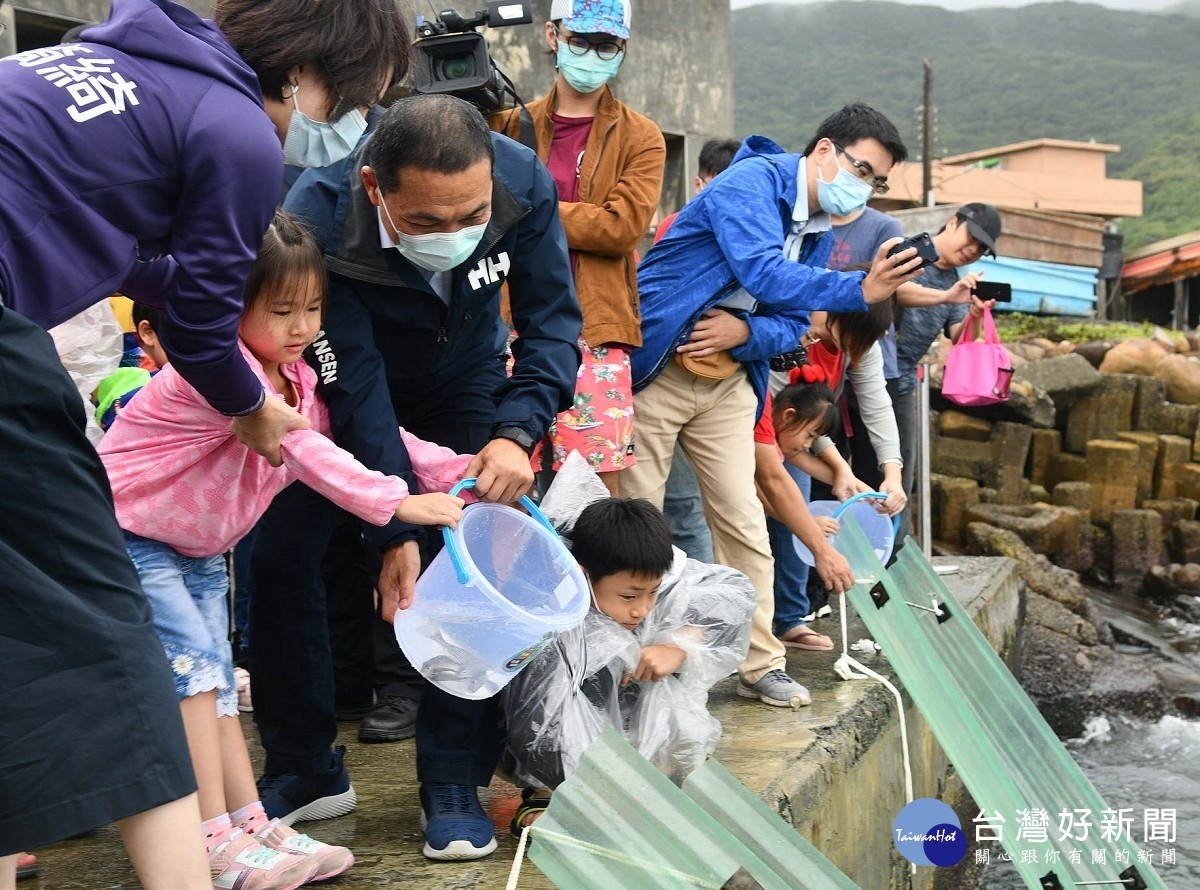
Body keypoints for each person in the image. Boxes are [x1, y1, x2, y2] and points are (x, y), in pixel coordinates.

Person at [0, 0, 408, 884]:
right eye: (353, 103)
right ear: (311, 72)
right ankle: (201, 857)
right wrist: (250, 407)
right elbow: (196, 315)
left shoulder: (145, 69)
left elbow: (130, 257)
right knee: (116, 635)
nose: (346, 127)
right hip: (121, 500)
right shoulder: (237, 132)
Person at [249, 94, 582, 861]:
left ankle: (451, 781)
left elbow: (554, 322)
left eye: (469, 216)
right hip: (339, 397)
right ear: (375, 187)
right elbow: (354, 387)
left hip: (464, 381)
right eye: (426, 222)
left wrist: (516, 431)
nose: (454, 237)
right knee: (279, 559)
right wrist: (393, 524)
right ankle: (303, 767)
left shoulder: (523, 182)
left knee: (471, 564)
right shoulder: (321, 213)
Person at [98, 211, 468, 887]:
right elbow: (303, 447)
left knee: (215, 686)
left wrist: (458, 474)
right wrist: (397, 502)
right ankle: (206, 839)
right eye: (282, 310)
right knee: (193, 682)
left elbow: (366, 436)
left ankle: (248, 823)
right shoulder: (223, 375)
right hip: (130, 537)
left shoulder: (292, 373)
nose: (302, 327)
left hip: (199, 550)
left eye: (314, 308)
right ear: (231, 306)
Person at [622, 103, 921, 710]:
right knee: (637, 520)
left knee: (743, 521)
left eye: (877, 182)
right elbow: (762, 272)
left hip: (730, 380)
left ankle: (761, 662)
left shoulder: (818, 229)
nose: (863, 188)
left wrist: (742, 336)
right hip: (660, 368)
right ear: (824, 151)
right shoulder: (751, 182)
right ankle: (626, 662)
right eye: (861, 170)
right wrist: (858, 289)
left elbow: (793, 328)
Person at [504, 474, 755, 833]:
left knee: (657, 679)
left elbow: (733, 592)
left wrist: (679, 644)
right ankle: (549, 792)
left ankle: (654, 767)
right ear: (583, 575)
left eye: (652, 593)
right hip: (553, 753)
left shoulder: (649, 575)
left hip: (633, 724)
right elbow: (538, 728)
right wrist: (603, 794)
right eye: (629, 597)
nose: (642, 609)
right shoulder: (550, 612)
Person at [493, 0, 664, 495]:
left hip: (595, 328)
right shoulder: (506, 125)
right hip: (507, 323)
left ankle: (589, 579)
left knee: (592, 496)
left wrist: (529, 206)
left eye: (606, 45)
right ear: (553, 35)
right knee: (504, 486)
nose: (592, 54)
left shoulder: (642, 137)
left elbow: (620, 227)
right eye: (580, 40)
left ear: (623, 49)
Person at [764, 298, 904, 650]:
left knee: (794, 506)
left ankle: (789, 619)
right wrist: (807, 524)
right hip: (757, 434)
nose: (863, 351)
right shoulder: (795, 334)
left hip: (789, 438)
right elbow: (784, 432)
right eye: (861, 339)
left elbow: (803, 436)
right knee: (771, 515)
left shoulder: (855, 346)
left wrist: (886, 474)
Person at [653, 137, 741, 563]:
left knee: (698, 511)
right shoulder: (680, 226)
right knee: (685, 508)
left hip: (720, 380)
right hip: (674, 376)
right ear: (699, 183)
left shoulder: (751, 233)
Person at [892, 202, 1000, 543]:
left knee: (900, 476)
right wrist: (945, 297)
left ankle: (892, 555)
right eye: (972, 239)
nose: (972, 251)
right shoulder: (910, 252)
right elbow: (890, 289)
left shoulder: (955, 282)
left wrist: (976, 314)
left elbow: (959, 338)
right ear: (953, 222)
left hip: (903, 382)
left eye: (981, 250)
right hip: (862, 375)